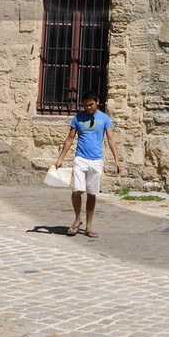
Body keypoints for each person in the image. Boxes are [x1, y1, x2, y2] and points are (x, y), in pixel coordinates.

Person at [53, 93, 121, 238]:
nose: (88, 107)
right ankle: (77, 219)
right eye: (86, 105)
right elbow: (70, 139)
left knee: (92, 193)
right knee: (76, 190)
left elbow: (111, 139)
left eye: (91, 104)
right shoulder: (77, 118)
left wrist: (116, 159)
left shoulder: (104, 118)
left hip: (96, 160)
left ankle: (89, 226)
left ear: (97, 102)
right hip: (80, 159)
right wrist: (60, 159)